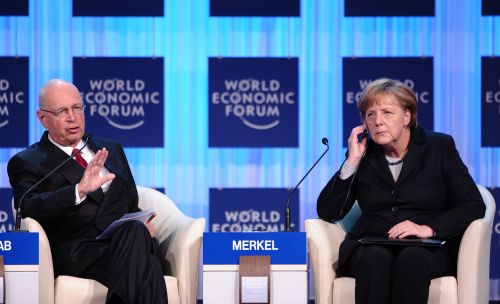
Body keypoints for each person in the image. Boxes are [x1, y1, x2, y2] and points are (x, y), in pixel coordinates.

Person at [317, 78, 485, 304]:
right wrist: (352, 161)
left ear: (406, 117)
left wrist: (430, 228)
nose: (378, 122)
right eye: (370, 115)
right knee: (375, 258)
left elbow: (473, 204)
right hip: (371, 245)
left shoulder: (439, 147)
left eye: (387, 113)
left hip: (426, 247)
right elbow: (328, 212)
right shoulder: (363, 154)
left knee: (412, 258)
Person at [8, 79, 168, 304]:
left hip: (127, 243)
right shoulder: (28, 161)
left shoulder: (110, 148)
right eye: (62, 111)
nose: (72, 117)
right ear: (42, 118)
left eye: (76, 108)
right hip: (82, 252)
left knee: (136, 234)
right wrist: (78, 190)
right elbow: (28, 205)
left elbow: (130, 200)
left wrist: (143, 220)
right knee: (148, 265)